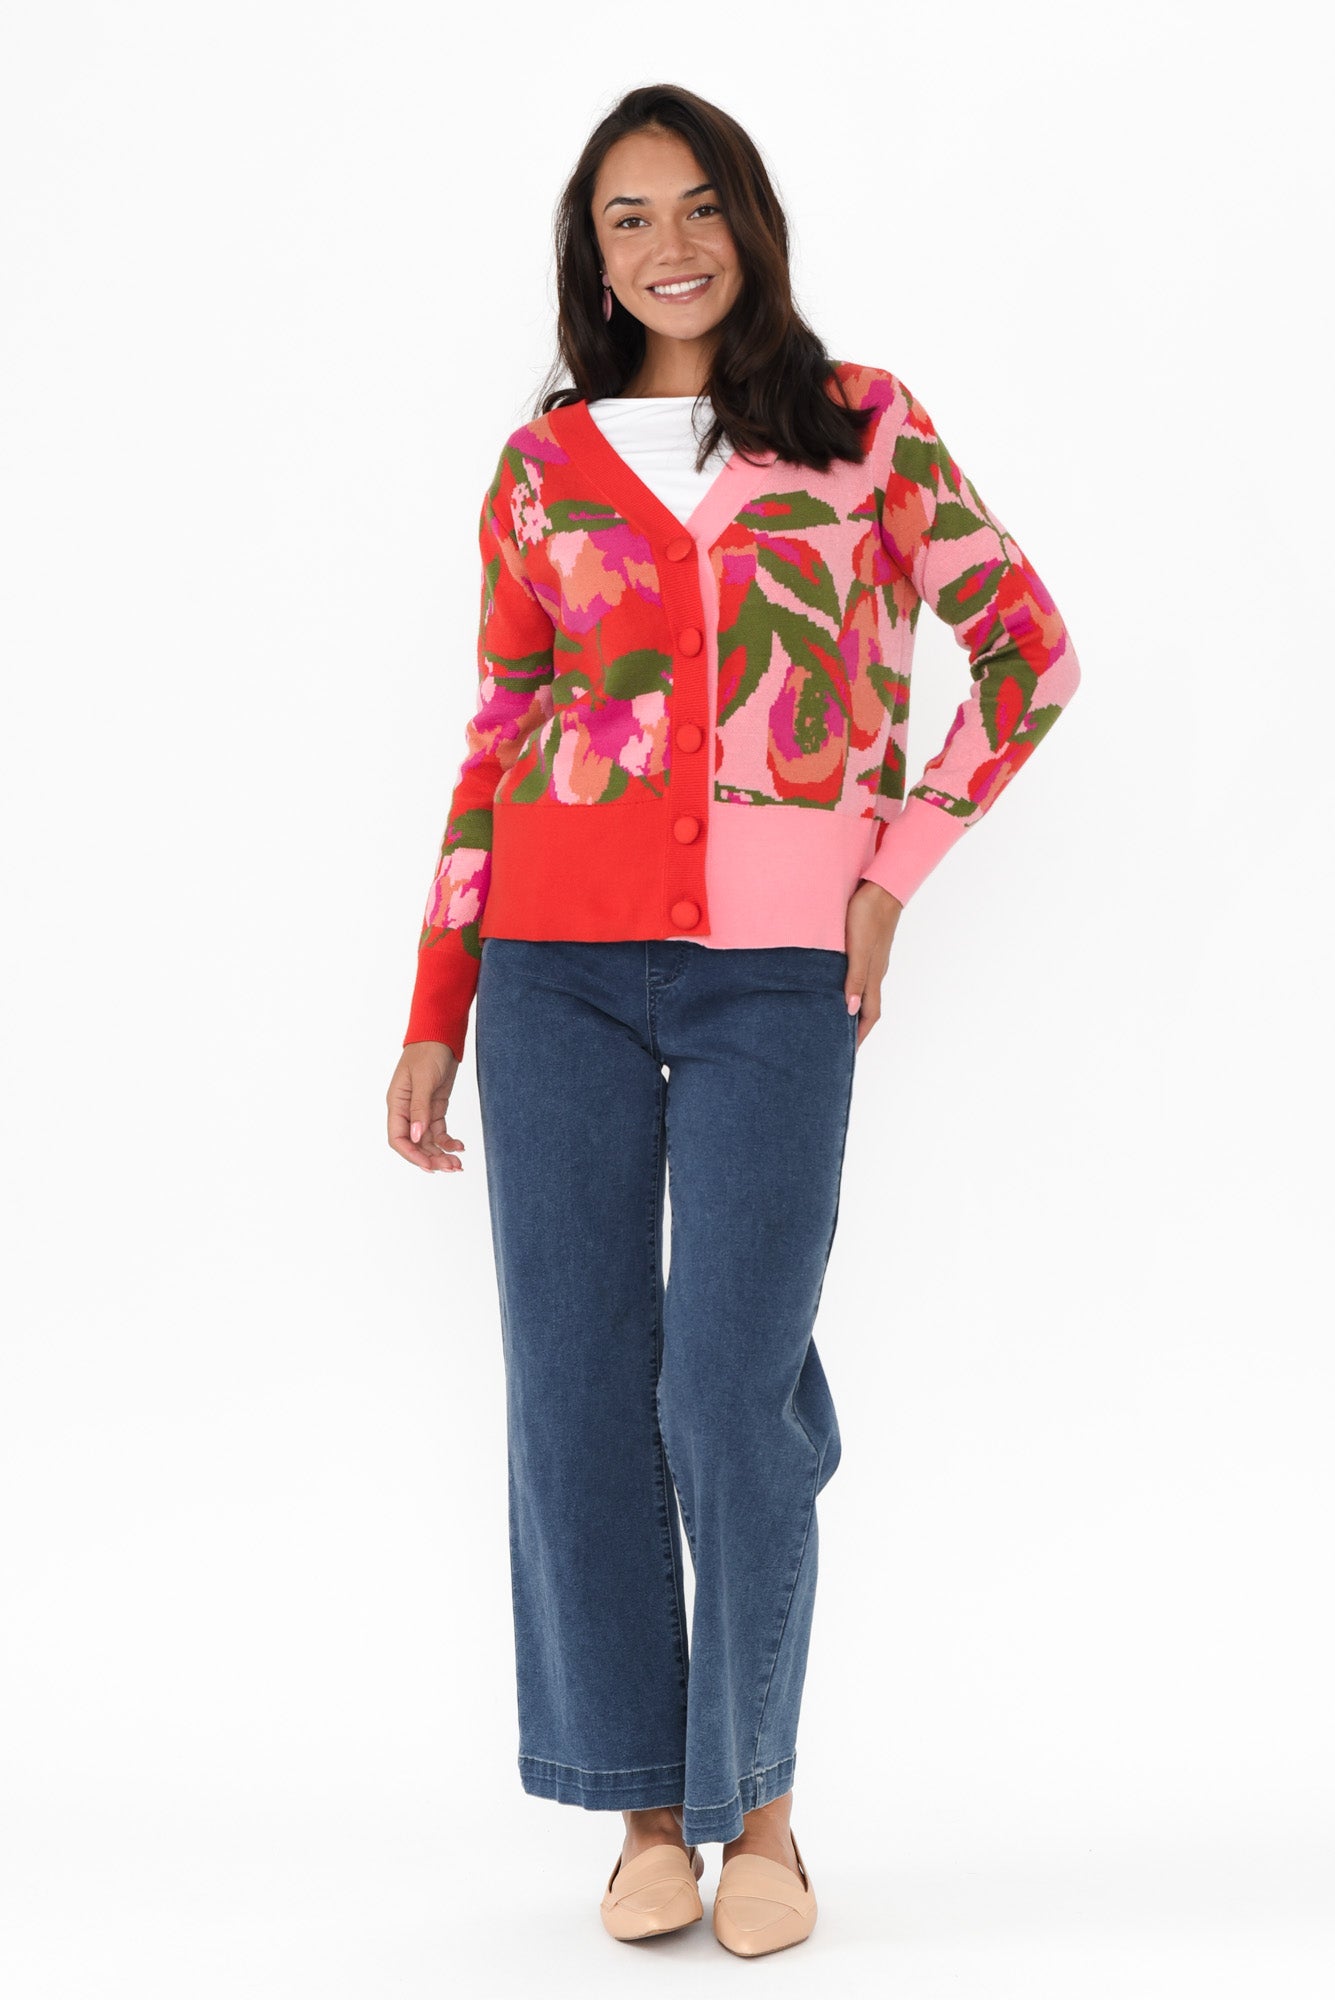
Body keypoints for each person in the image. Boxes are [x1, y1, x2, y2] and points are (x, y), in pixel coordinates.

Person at [386, 82, 1081, 1956]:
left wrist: (889, 873)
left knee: (727, 1390)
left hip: (779, 977)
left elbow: (1028, 651)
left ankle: (758, 1806)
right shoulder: (541, 468)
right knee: (577, 1387)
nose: (669, 245)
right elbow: (497, 736)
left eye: (698, 205)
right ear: (590, 254)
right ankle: (641, 1813)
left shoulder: (863, 426)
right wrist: (438, 1001)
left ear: (750, 220)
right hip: (551, 967)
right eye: (628, 219)